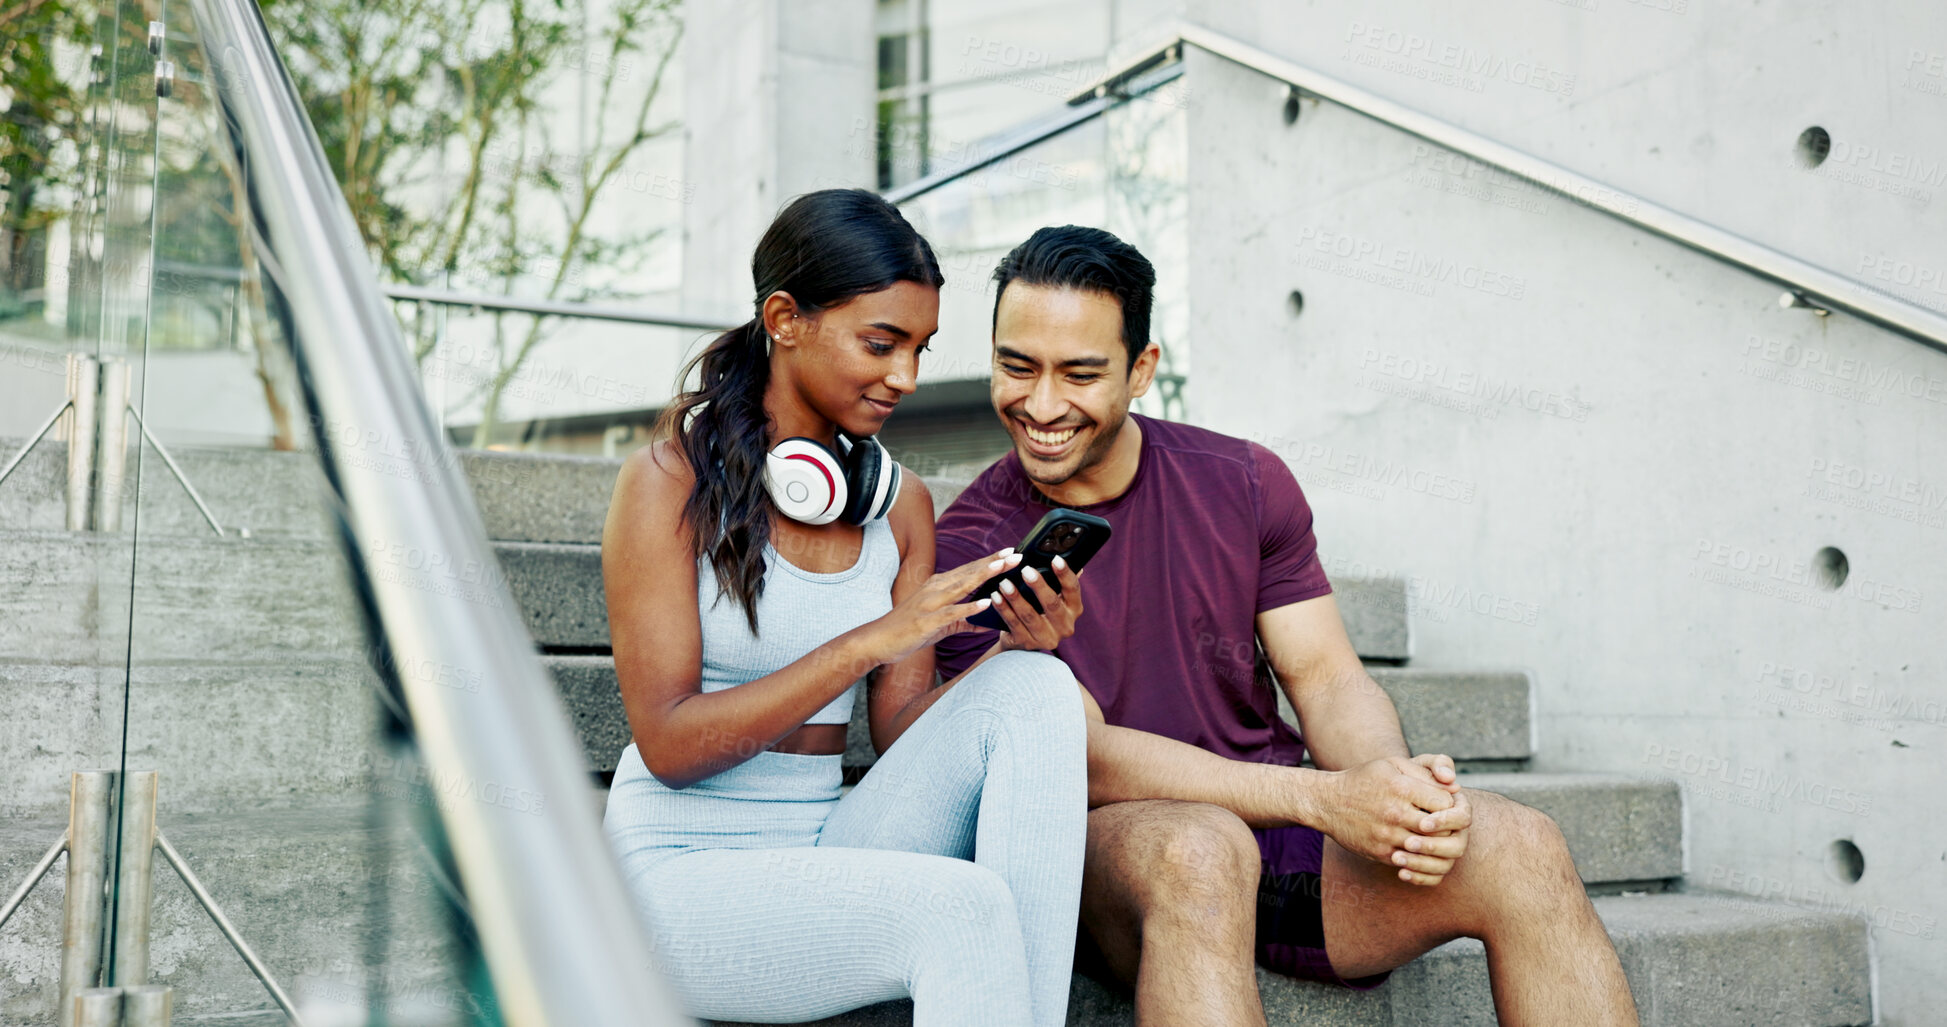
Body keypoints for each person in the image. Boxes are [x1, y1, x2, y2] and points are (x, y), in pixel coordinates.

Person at [933, 225, 1642, 1026]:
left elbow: (1327, 677)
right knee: (1200, 849)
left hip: (1274, 839)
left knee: (1523, 844)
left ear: (1141, 370)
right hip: (1107, 855)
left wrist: (1389, 793)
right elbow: (1084, 761)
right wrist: (1321, 797)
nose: (1041, 404)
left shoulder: (1241, 481)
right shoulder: (964, 551)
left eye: (1080, 372)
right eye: (1015, 365)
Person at [600, 190, 1092, 1026]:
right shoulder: (666, 481)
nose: (904, 376)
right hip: (679, 878)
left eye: (919, 348)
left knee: (1037, 688)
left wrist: (1016, 646)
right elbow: (671, 742)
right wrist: (875, 637)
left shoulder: (899, 507)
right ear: (785, 318)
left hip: (831, 844)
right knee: (962, 907)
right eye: (881, 342)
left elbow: (899, 726)